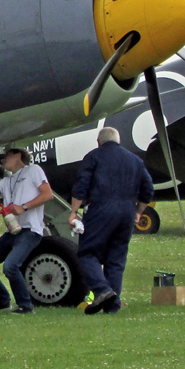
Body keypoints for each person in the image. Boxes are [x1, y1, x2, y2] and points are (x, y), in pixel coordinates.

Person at [68, 126, 154, 315]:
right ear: (119, 141)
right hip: (127, 212)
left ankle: (102, 290)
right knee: (116, 259)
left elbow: (81, 186)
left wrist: (74, 211)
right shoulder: (135, 160)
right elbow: (148, 189)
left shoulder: (94, 157)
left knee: (87, 253)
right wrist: (138, 212)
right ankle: (112, 306)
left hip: (101, 209)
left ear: (99, 142)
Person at [0, 148, 54, 314]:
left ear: (17, 156)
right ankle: (2, 300)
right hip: (13, 231)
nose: (2, 161)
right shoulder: (8, 181)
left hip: (30, 230)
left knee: (10, 266)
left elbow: (47, 195)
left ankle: (26, 306)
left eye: (5, 157)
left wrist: (24, 207)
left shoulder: (33, 170)